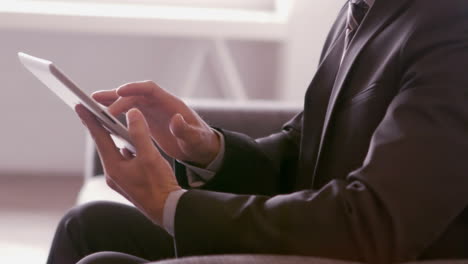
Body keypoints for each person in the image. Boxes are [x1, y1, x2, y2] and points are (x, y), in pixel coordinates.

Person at [46, 0, 468, 263]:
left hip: (374, 249)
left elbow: (375, 222)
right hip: (336, 230)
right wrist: (209, 148)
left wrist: (172, 205)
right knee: (86, 226)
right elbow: (306, 149)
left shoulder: (452, 25)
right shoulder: (363, 9)